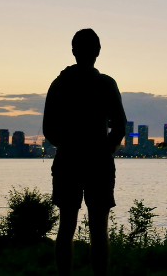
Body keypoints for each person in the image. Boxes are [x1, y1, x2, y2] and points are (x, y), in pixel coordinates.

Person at [43, 28, 127, 276]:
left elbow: (49, 130)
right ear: (98, 51)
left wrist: (68, 146)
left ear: (73, 51)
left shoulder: (59, 84)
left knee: (66, 226)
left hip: (67, 162)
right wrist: (105, 150)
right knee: (99, 228)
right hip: (99, 164)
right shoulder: (105, 84)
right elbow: (120, 126)